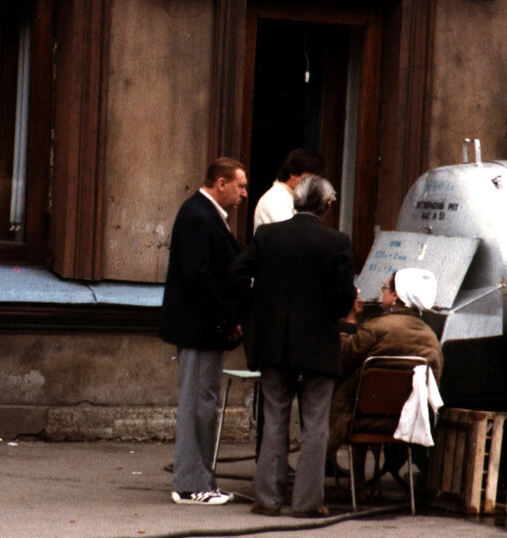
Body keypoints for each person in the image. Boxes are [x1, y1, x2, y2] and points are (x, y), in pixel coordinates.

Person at [229, 175, 356, 517]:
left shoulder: (268, 236)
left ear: (295, 201)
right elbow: (345, 296)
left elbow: (237, 274)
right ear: (327, 205)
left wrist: (254, 313)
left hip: (274, 343)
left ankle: (268, 499)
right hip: (318, 346)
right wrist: (325, 313)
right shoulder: (337, 242)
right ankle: (307, 503)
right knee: (315, 424)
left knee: (274, 419)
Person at [159, 158, 248, 506]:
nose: (244, 194)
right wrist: (227, 321)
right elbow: (198, 276)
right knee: (197, 406)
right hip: (200, 329)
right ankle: (189, 484)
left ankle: (201, 480)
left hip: (203, 328)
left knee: (203, 405)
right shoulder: (198, 216)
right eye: (240, 186)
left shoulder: (204, 214)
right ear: (221, 184)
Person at [331, 268, 444, 496]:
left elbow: (341, 358)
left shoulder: (377, 327)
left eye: (384, 288)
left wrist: (351, 320)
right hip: (409, 423)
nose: (382, 293)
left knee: (352, 399)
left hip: (361, 421)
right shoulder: (430, 337)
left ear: (395, 296)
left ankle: (358, 486)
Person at [252, 148, 325, 231]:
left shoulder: (298, 199)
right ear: (293, 174)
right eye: (309, 178)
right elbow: (292, 234)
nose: (313, 184)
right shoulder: (274, 200)